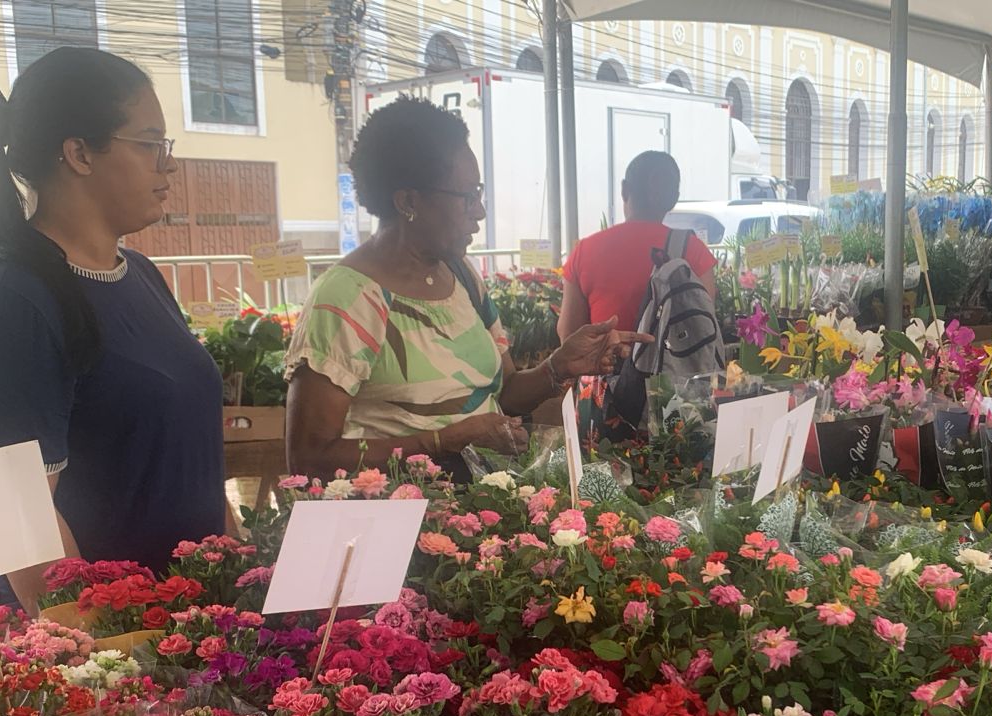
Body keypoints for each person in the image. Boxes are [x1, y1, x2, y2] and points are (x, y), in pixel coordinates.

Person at [0, 48, 226, 613]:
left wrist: (231, 576)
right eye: (150, 144)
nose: (168, 165)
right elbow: (21, 525)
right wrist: (115, 655)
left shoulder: (138, 275)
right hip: (97, 656)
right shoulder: (5, 303)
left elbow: (191, 454)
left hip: (187, 626)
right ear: (78, 153)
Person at [285, 97, 648, 480]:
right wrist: (442, 442)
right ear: (409, 201)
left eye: (480, 193)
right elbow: (310, 457)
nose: (480, 211)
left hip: (485, 509)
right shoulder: (347, 298)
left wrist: (558, 367)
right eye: (468, 196)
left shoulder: (460, 275)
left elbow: (503, 392)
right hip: (404, 523)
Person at [557, 150, 718, 340]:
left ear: (625, 190)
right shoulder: (694, 251)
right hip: (675, 370)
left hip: (604, 367)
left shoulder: (585, 251)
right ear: (673, 199)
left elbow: (569, 334)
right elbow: (704, 327)